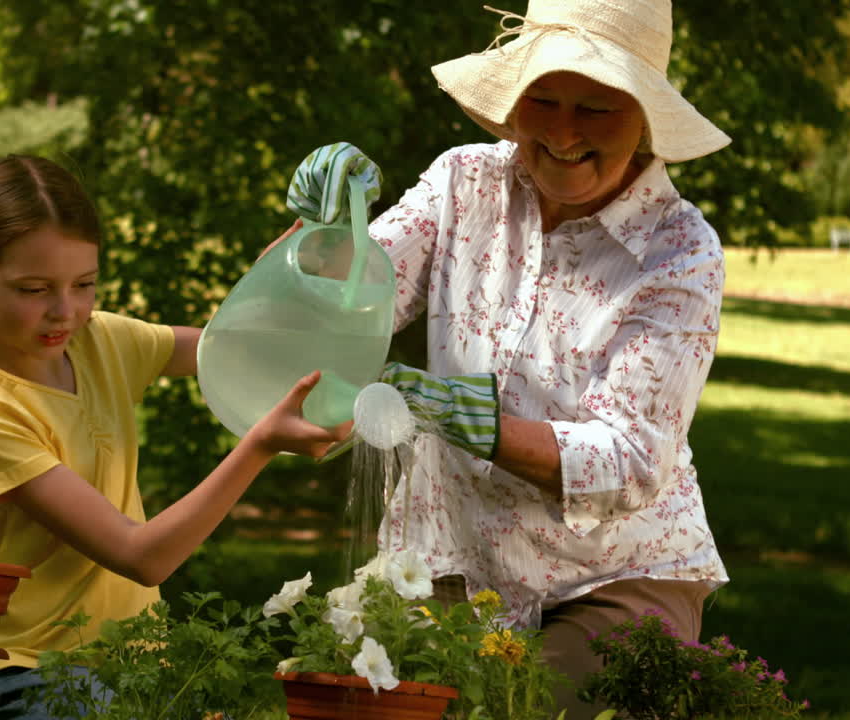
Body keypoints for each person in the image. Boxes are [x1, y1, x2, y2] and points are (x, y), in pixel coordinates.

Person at [287, 0, 732, 716]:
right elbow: (337, 311)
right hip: (447, 554)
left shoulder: (678, 251)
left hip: (611, 573)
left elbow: (631, 459)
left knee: (523, 707)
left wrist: (467, 417)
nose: (561, 132)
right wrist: (325, 231)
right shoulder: (465, 181)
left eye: (595, 108)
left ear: (644, 119)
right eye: (544, 100)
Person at [0, 154, 348, 719]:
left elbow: (241, 347)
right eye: (34, 289)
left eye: (84, 284)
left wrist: (285, 274)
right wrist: (259, 445)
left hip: (140, 672)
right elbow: (142, 556)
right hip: (43, 680)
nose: (65, 311)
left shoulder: (98, 342)